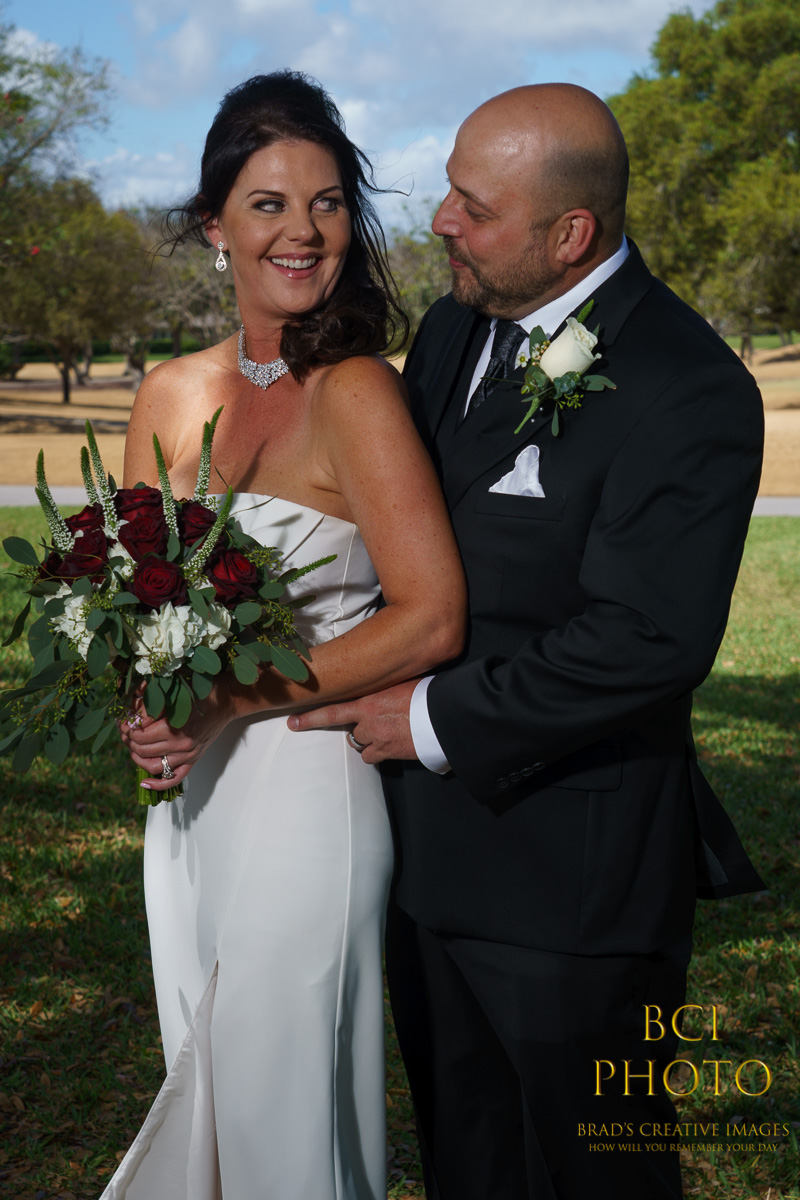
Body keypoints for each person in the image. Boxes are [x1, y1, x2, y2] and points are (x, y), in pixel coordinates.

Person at [290, 84, 766, 1199]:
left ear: (570, 235)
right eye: (450, 191)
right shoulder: (453, 327)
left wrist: (428, 718)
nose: (442, 221)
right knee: (470, 1161)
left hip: (573, 886)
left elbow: (646, 637)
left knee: (597, 1176)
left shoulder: (689, 387)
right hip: (423, 862)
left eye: (475, 206)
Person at [110, 71, 466, 1200]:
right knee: (205, 1078)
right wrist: (143, 700)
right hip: (188, 809)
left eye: (326, 203)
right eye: (268, 204)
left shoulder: (353, 390)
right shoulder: (169, 393)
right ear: (214, 224)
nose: (302, 232)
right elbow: (133, 595)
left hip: (307, 797)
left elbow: (431, 614)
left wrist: (229, 700)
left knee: (281, 1106)